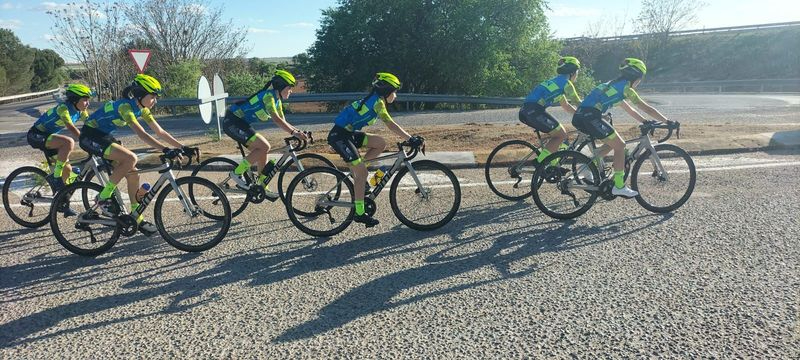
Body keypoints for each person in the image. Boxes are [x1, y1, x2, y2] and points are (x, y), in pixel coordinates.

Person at [79, 74, 188, 236]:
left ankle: (136, 216)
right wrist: (165, 150)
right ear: (140, 95)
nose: (155, 101)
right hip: (89, 136)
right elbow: (142, 134)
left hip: (104, 136)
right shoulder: (125, 107)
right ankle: (103, 197)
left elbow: (160, 131)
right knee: (131, 158)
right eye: (152, 96)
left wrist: (183, 147)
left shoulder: (142, 109)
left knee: (134, 174)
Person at [327, 72, 423, 228]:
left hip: (348, 134)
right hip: (340, 136)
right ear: (387, 91)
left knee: (380, 143)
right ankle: (359, 212)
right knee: (362, 174)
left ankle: (359, 172)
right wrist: (410, 138)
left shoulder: (377, 100)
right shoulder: (377, 102)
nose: (396, 95)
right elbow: (390, 124)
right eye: (394, 92)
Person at [572, 58, 670, 198]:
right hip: (590, 116)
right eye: (640, 78)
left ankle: (588, 165)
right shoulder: (626, 88)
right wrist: (668, 121)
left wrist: (644, 121)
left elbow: (630, 109)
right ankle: (619, 186)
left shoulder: (613, 85)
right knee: (620, 146)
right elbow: (646, 107)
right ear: (636, 77)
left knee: (611, 143)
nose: (639, 82)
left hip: (580, 116)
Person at [223, 70, 308, 200]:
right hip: (232, 121)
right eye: (289, 88)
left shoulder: (277, 100)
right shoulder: (268, 97)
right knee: (264, 146)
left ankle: (262, 185)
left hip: (242, 123)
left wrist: (298, 132)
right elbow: (276, 120)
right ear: (281, 87)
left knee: (262, 149)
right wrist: (294, 133)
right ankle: (237, 173)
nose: (291, 91)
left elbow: (283, 121)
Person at [27, 84, 94, 191]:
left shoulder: (81, 111)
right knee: (68, 142)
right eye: (85, 100)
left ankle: (62, 196)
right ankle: (56, 177)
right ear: (75, 100)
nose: (88, 103)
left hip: (50, 138)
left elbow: (91, 125)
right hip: (36, 135)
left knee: (67, 169)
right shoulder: (63, 108)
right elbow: (71, 128)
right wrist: (86, 142)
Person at [519, 56, 582, 163]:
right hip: (534, 111)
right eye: (577, 72)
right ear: (572, 72)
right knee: (561, 135)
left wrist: (578, 115)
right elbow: (578, 102)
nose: (577, 75)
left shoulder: (556, 83)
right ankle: (539, 162)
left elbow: (566, 106)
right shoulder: (566, 84)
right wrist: (592, 115)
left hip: (526, 111)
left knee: (558, 135)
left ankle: (553, 165)